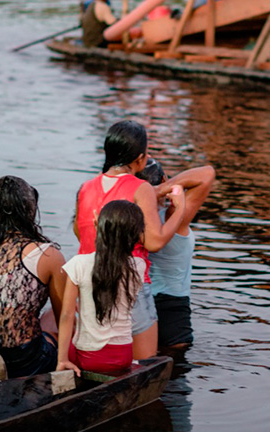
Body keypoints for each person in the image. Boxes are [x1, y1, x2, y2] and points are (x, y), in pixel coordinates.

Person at [75, 120, 186, 359]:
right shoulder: (140, 188)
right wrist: (180, 210)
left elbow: (80, 233)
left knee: (99, 353)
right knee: (143, 364)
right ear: (141, 159)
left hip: (90, 281)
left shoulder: (85, 188)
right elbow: (154, 242)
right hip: (129, 283)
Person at [0, 176, 67, 378]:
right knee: (55, 321)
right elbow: (64, 316)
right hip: (23, 360)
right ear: (29, 211)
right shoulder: (48, 254)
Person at [58, 200, 146, 375]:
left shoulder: (79, 264)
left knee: (52, 326)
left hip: (89, 358)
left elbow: (67, 315)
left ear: (99, 226)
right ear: (136, 234)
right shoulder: (139, 266)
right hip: (123, 355)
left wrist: (62, 360)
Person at [137, 159, 215, 348]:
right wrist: (161, 190)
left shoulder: (129, 219)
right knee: (175, 373)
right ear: (164, 179)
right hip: (172, 314)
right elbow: (207, 174)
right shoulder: (173, 218)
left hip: (137, 307)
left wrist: (147, 193)